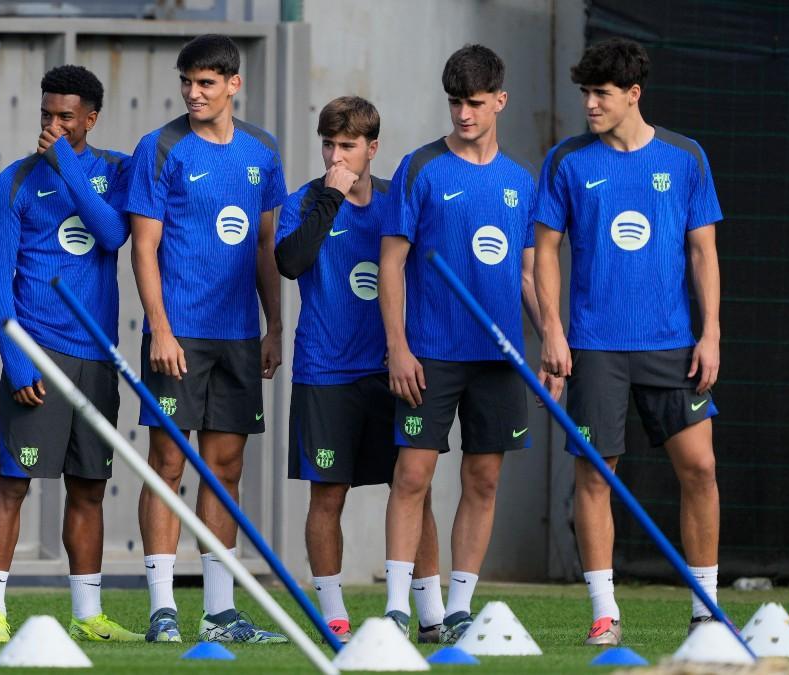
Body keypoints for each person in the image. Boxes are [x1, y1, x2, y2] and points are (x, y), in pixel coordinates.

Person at [533, 37, 722, 646]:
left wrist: (710, 333)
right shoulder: (567, 161)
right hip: (596, 348)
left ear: (633, 94)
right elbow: (544, 252)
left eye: (601, 94)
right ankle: (604, 613)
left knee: (700, 467)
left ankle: (706, 610)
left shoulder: (685, 157)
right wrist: (554, 332)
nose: (589, 104)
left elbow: (703, 252)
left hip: (672, 344)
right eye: (585, 92)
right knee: (595, 474)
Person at [378, 44, 560, 643]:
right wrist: (399, 347)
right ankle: (400, 609)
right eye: (455, 102)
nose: (463, 114)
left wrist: (551, 338)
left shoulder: (520, 181)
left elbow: (530, 275)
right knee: (413, 475)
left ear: (499, 101)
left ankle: (459, 608)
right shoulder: (420, 167)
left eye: (475, 103)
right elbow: (391, 266)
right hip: (430, 353)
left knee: (483, 481)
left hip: (500, 357)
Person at [124, 33, 288, 643]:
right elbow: (144, 247)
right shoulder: (160, 147)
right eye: (187, 83)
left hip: (240, 335)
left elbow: (266, 245)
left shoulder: (263, 151)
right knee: (167, 463)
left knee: (225, 468)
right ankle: (163, 608)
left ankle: (220, 612)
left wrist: (274, 326)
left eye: (207, 83)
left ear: (232, 85)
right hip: (179, 334)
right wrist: (160, 329)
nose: (194, 93)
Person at [0, 64, 141, 644]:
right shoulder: (13, 183)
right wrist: (17, 360)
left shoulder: (118, 172)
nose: (51, 125)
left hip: (96, 357)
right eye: (46, 114)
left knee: (89, 486)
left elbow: (111, 234)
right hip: (38, 353)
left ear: (90, 119)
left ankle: (88, 613)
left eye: (64, 117)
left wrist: (68, 165)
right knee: (13, 481)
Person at [275, 95, 442, 643]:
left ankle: (433, 613)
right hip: (325, 371)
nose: (336, 156)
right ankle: (333, 612)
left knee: (414, 486)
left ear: (372, 148)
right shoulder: (306, 199)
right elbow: (289, 262)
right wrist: (330, 197)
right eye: (328, 144)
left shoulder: (399, 199)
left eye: (348, 146)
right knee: (328, 494)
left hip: (396, 368)